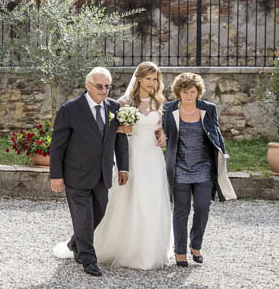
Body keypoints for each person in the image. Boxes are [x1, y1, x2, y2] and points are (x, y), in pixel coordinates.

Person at [88, 61, 173, 269]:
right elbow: (111, 131)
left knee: (152, 200)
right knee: (129, 198)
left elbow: (161, 127)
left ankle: (150, 251)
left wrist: (163, 135)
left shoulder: (159, 101)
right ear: (139, 79)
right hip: (133, 155)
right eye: (148, 78)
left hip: (153, 157)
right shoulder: (124, 102)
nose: (152, 83)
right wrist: (121, 129)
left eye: (155, 79)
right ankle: (120, 247)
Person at [47, 67, 129, 277]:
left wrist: (123, 166)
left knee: (99, 212)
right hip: (76, 174)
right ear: (88, 85)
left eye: (107, 86)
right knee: (83, 218)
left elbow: (120, 140)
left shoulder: (113, 107)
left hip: (102, 173)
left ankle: (75, 243)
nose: (104, 90)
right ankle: (88, 259)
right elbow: (57, 145)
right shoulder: (70, 109)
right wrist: (56, 175)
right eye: (100, 86)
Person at [161, 72, 237, 268]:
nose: (188, 95)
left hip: (204, 167)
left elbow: (216, 133)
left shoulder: (208, 109)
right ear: (178, 92)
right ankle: (179, 251)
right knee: (181, 211)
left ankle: (196, 245)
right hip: (179, 168)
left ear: (198, 92)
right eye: (184, 91)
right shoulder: (169, 109)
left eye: (192, 92)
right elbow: (160, 132)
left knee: (203, 207)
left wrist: (222, 156)